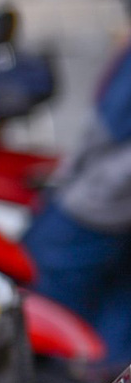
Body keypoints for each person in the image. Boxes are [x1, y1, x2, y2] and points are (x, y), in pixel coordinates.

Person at [26, 38, 131, 363]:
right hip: (111, 200)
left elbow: (105, 131)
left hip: (103, 200)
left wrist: (68, 180)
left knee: (48, 297)